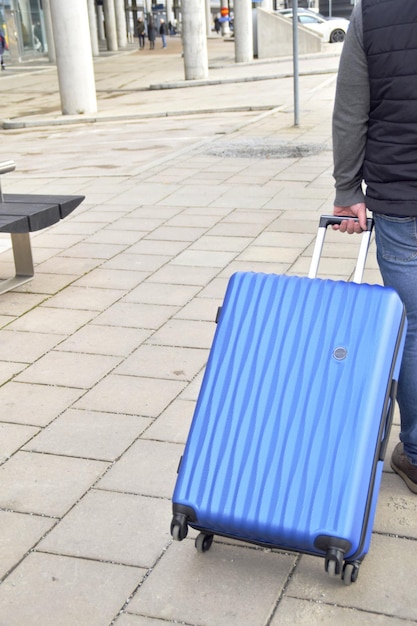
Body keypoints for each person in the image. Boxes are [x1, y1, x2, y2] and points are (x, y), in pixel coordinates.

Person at [332, 0, 417, 494]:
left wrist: (348, 191)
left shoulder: (372, 14)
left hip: (401, 201)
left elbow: (350, 113)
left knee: (413, 329)